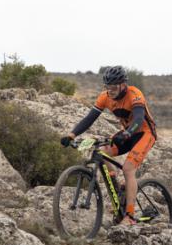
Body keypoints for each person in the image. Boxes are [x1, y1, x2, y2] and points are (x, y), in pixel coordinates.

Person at [60, 66, 157, 226]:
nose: (110, 91)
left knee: (128, 169)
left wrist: (127, 134)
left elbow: (139, 119)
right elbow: (89, 119)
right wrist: (71, 135)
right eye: (107, 87)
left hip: (144, 133)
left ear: (123, 85)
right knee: (103, 152)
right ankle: (118, 190)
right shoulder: (104, 97)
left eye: (113, 87)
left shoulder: (135, 94)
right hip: (126, 133)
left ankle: (130, 216)